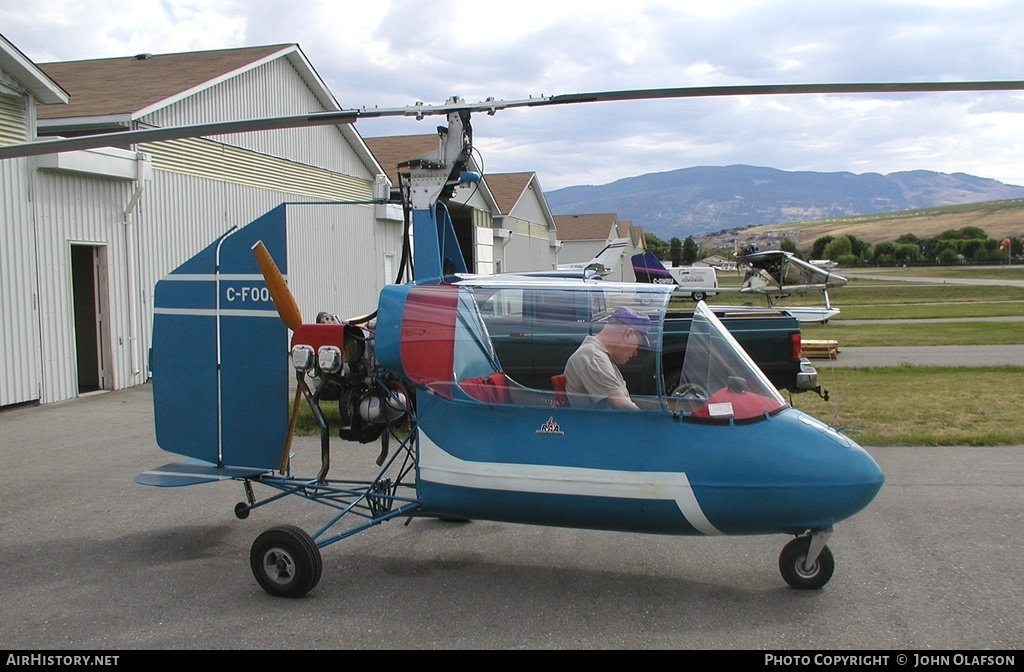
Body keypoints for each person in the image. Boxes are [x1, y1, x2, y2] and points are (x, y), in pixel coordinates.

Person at [563, 305, 650, 410]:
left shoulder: (600, 355)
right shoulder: (593, 357)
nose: (636, 353)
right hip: (599, 425)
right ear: (628, 334)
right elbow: (620, 404)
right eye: (639, 346)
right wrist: (648, 422)